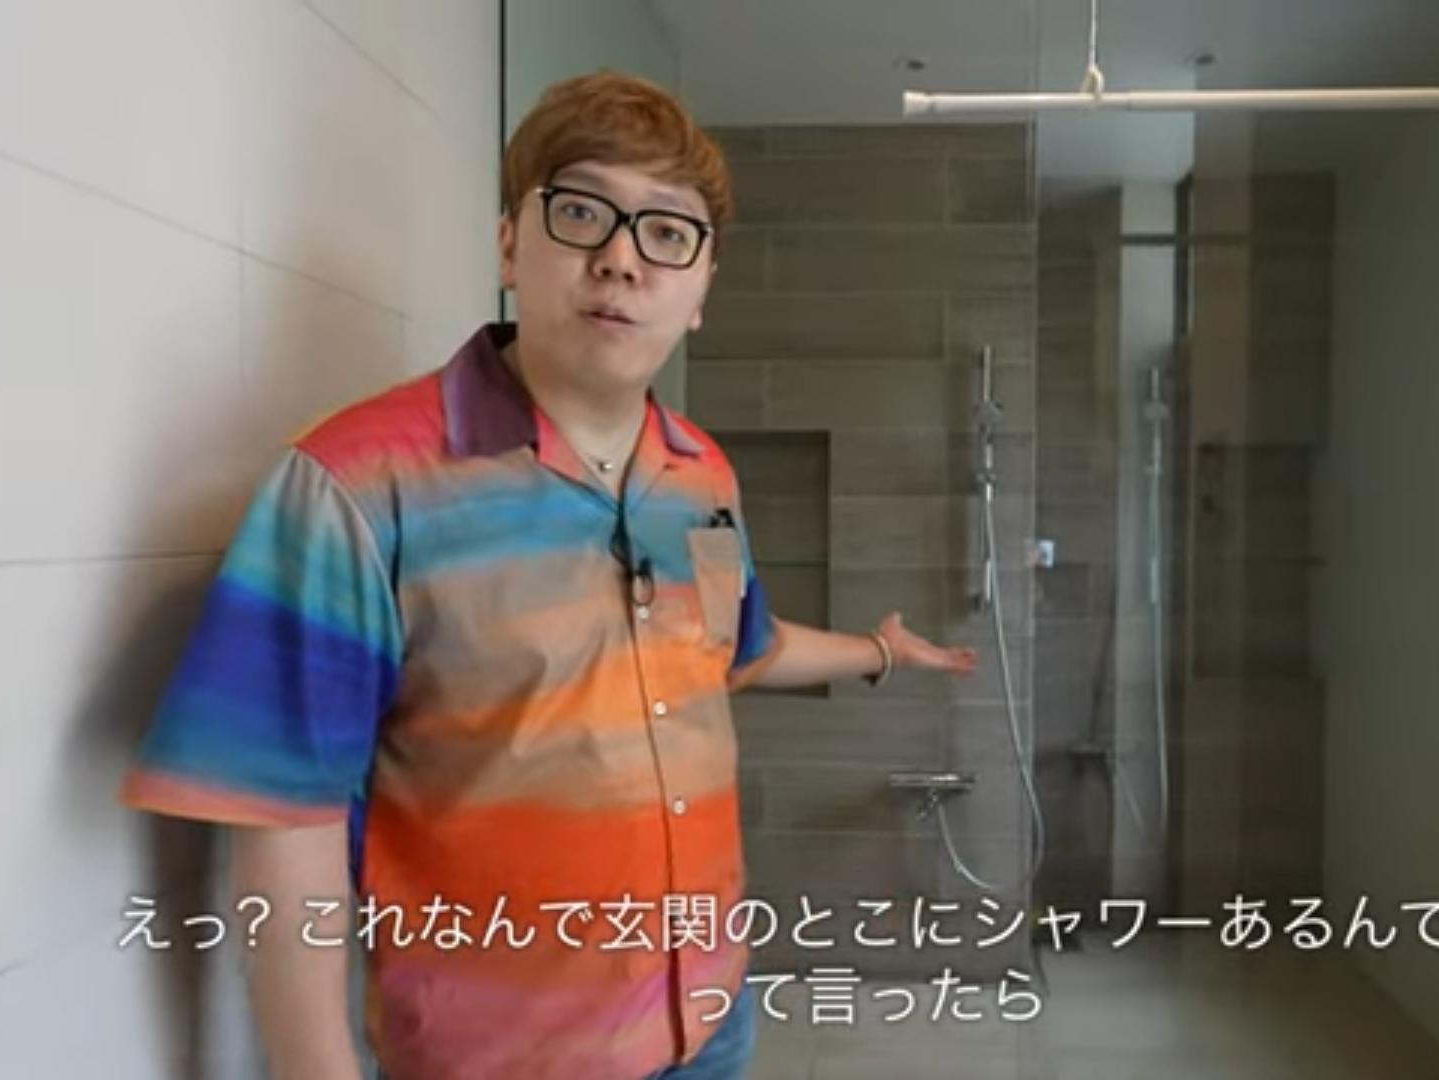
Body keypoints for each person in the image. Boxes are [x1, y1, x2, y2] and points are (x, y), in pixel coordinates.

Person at [116, 69, 978, 1080]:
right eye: (581, 212)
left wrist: (879, 651)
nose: (621, 258)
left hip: (708, 1024)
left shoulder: (701, 473)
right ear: (508, 245)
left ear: (701, 288)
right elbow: (283, 822)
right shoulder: (357, 484)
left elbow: (739, 647)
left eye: (668, 232)